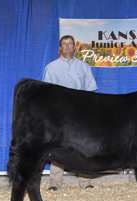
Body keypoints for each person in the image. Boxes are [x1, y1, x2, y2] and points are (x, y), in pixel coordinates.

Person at [42, 35, 98, 191]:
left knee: (83, 147)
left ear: (75, 47)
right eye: (64, 44)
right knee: (57, 147)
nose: (67, 46)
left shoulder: (84, 67)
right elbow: (46, 93)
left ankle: (85, 181)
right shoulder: (51, 67)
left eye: (70, 44)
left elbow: (90, 93)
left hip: (80, 114)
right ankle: (55, 182)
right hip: (58, 115)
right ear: (60, 48)